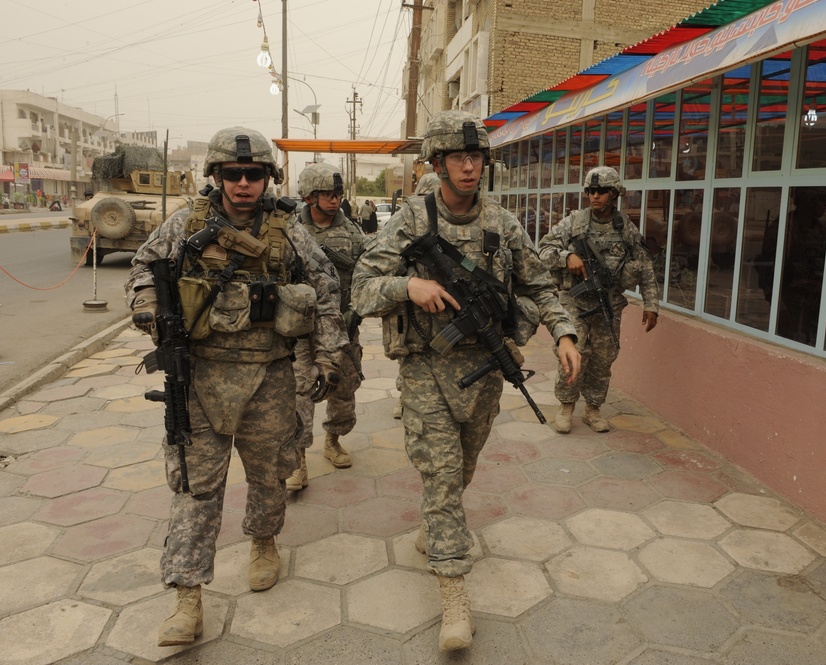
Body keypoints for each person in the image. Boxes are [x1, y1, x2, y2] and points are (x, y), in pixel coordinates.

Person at [351, 110, 581, 652]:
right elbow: (361, 287)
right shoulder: (410, 220)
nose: (469, 166)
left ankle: (436, 524)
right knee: (443, 474)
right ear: (437, 164)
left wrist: (564, 333)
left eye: (475, 156)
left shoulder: (502, 223)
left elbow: (539, 284)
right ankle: (454, 594)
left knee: (463, 469)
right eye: (458, 157)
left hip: (484, 371)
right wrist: (408, 287)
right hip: (426, 369)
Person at [124, 127, 346, 648]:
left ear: (268, 178)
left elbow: (326, 291)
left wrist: (327, 356)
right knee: (195, 486)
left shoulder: (289, 230)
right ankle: (187, 598)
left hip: (270, 377)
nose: (243, 183)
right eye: (233, 173)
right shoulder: (185, 224)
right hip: (201, 377)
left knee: (270, 474)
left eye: (253, 174)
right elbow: (142, 270)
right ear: (216, 176)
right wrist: (148, 306)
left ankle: (264, 542)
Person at [538, 166, 660, 434]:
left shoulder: (624, 227)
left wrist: (651, 304)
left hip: (609, 303)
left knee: (604, 358)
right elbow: (543, 250)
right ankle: (566, 406)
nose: (595, 196)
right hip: (575, 302)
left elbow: (644, 265)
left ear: (614, 194)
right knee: (574, 352)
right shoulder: (574, 222)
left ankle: (593, 409)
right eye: (591, 191)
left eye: (602, 191)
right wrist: (566, 257)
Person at [286, 163, 367, 490]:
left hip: (341, 325)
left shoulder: (352, 231)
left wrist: (355, 311)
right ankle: (298, 459)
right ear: (309, 197)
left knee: (344, 387)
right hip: (300, 329)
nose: (335, 200)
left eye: (337, 194)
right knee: (299, 392)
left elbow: (365, 274)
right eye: (327, 195)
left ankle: (333, 439)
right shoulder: (290, 230)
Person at [392, 171, 442, 420]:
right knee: (408, 354)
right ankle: (404, 396)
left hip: (440, 305)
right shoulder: (406, 221)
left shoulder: (445, 224)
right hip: (411, 306)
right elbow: (388, 264)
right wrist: (409, 281)